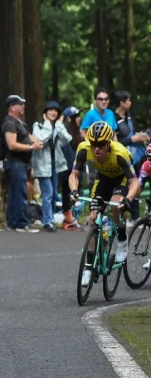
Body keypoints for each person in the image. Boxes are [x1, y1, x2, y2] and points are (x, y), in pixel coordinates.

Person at [69, 121, 139, 286]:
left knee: (116, 208)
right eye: (94, 144)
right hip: (104, 177)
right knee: (93, 217)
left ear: (109, 143)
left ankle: (122, 238)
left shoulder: (120, 153)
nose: (97, 149)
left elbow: (134, 183)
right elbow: (74, 175)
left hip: (122, 179)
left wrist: (127, 200)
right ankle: (88, 266)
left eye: (101, 145)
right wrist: (74, 191)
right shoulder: (83, 149)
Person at [31, 101, 72, 232]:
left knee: (53, 193)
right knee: (47, 192)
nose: (53, 113)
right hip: (43, 164)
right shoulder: (38, 125)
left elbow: (67, 139)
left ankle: (50, 218)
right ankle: (48, 221)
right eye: (50, 110)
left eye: (56, 111)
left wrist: (59, 125)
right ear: (45, 112)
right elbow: (41, 139)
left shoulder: (57, 126)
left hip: (55, 164)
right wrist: (48, 126)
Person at [2, 95, 41, 232]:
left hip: (21, 163)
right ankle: (21, 223)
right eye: (20, 104)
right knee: (20, 193)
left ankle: (12, 222)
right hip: (14, 162)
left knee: (15, 193)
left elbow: (29, 137)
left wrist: (36, 142)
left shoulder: (20, 122)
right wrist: (31, 147)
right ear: (12, 107)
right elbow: (11, 145)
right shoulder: (9, 123)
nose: (23, 106)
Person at [114, 90, 147, 222]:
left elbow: (132, 134)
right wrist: (131, 139)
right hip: (123, 157)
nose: (130, 103)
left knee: (137, 184)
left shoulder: (128, 115)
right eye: (128, 101)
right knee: (125, 186)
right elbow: (116, 142)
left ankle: (136, 216)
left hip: (136, 156)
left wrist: (140, 136)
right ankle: (123, 216)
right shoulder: (115, 119)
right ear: (121, 103)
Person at [60, 106, 84, 230]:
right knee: (67, 192)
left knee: (75, 193)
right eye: (76, 117)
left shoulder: (76, 132)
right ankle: (68, 219)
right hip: (68, 168)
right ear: (69, 119)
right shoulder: (66, 132)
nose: (78, 119)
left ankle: (72, 218)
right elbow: (68, 153)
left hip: (75, 168)